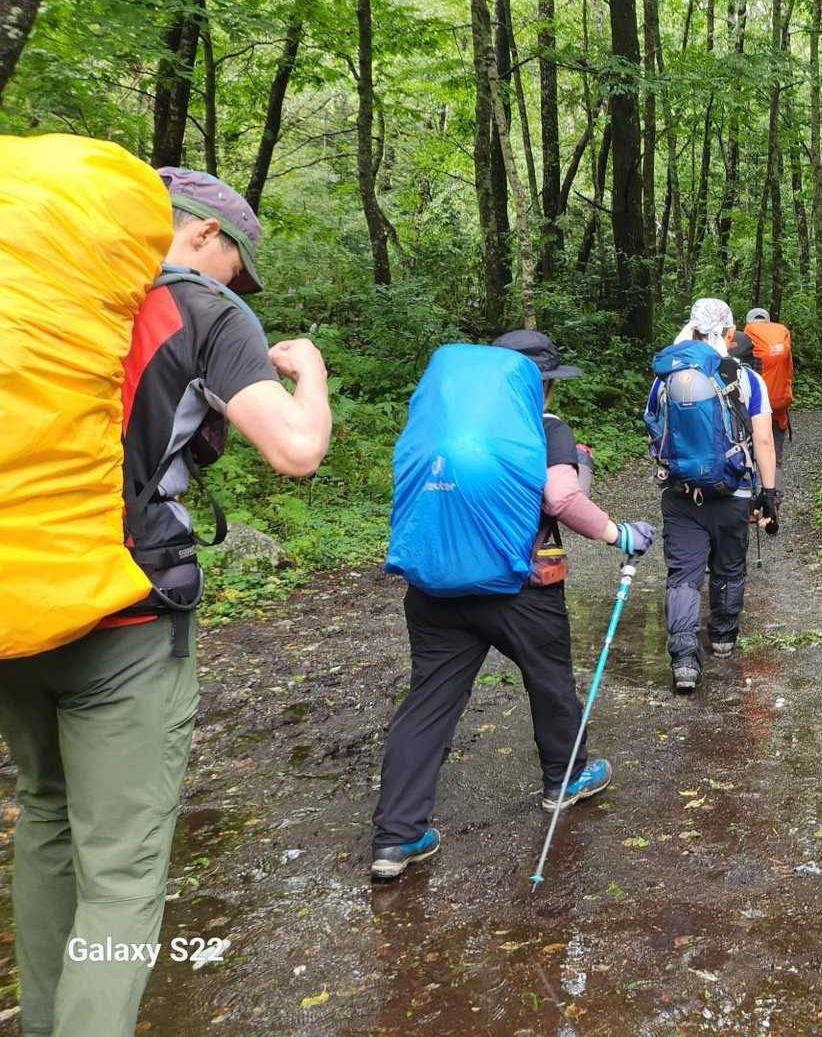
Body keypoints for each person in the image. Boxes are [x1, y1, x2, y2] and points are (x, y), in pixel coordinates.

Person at [0, 168, 334, 1037]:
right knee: (121, 873)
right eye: (236, 265)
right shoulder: (201, 308)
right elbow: (297, 450)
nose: (236, 283)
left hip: (16, 598)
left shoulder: (42, 294)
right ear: (200, 235)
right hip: (127, 620)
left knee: (46, 814)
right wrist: (310, 372)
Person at [369, 330, 655, 880]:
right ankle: (565, 779)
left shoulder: (441, 427)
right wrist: (616, 533)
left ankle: (396, 838)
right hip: (521, 587)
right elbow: (561, 496)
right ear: (541, 386)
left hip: (436, 587)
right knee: (549, 682)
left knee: (428, 702)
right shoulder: (546, 428)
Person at [649, 298, 780, 693]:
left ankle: (684, 660)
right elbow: (763, 440)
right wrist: (768, 494)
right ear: (729, 332)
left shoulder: (664, 377)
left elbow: (655, 430)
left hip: (681, 494)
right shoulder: (746, 378)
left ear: (690, 327)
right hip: (733, 492)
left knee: (683, 576)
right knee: (729, 566)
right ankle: (723, 638)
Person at [740, 306, 795, 466]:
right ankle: (775, 480)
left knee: (749, 457)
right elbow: (789, 371)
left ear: (748, 322)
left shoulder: (745, 338)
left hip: (754, 408)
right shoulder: (781, 334)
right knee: (775, 459)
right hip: (779, 405)